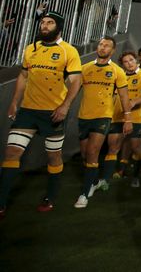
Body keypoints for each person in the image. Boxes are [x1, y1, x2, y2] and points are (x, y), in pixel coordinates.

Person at [0, 11, 82, 217]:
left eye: (50, 22)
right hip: (27, 111)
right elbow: (23, 76)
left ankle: (50, 196)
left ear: (59, 27)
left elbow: (76, 81)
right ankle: (1, 202)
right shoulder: (31, 49)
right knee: (11, 154)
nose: (44, 26)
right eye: (43, 22)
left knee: (54, 157)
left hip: (52, 113)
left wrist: (65, 106)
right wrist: (14, 102)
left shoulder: (68, 51)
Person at [74, 36, 131, 208]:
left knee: (92, 151)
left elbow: (124, 96)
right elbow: (73, 90)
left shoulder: (117, 71)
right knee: (85, 154)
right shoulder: (85, 68)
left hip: (103, 116)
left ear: (112, 51)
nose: (102, 47)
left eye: (107, 46)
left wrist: (128, 118)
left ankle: (83, 195)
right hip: (84, 116)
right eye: (100, 44)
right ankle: (93, 181)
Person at [109, 50, 141, 189]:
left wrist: (134, 101)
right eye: (126, 62)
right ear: (122, 65)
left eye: (131, 60)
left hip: (135, 118)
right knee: (114, 147)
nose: (129, 63)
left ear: (136, 61)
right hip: (117, 117)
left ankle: (136, 175)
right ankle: (106, 177)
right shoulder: (119, 77)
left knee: (136, 148)